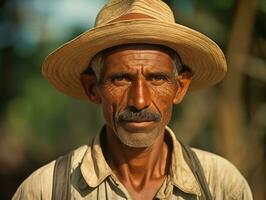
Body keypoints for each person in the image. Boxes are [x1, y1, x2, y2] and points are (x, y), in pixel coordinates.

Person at [12, 0, 253, 199]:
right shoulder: (45, 190)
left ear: (180, 88)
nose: (139, 101)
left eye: (157, 79)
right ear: (93, 89)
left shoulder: (221, 184)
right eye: (121, 79)